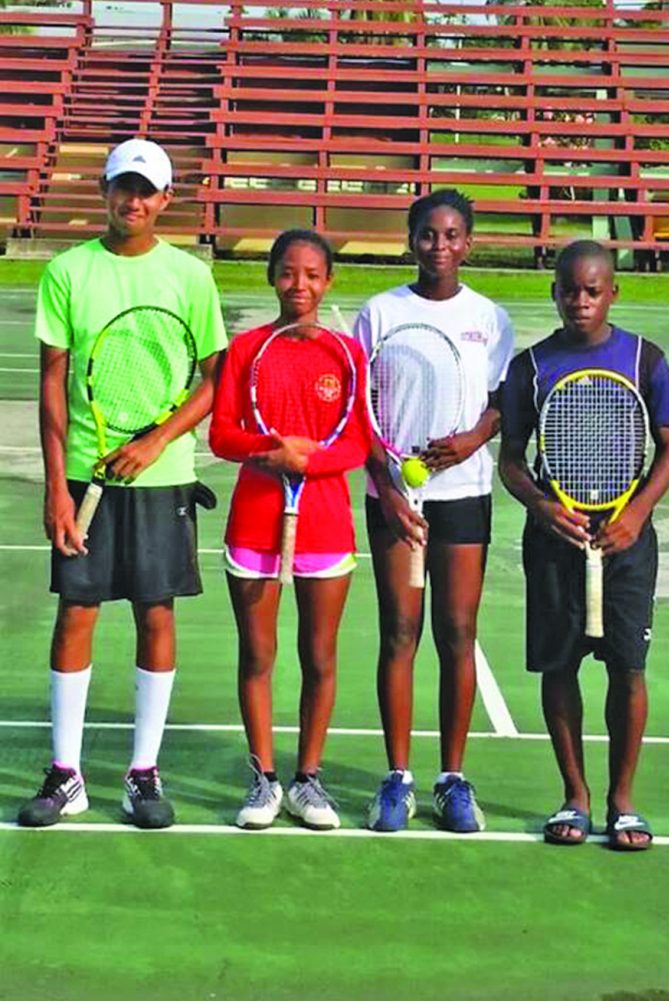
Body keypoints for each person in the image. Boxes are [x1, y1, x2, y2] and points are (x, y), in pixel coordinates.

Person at [18, 138, 228, 829]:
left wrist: (157, 440)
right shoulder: (67, 272)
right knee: (76, 612)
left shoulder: (190, 277)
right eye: (121, 187)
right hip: (84, 471)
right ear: (104, 191)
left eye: (146, 190)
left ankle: (143, 772)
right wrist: (56, 490)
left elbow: (214, 378)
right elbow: (51, 386)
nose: (132, 200)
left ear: (167, 199)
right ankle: (67, 773)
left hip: (163, 475)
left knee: (154, 613)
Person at [498, 239, 669, 851]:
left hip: (626, 540)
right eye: (569, 290)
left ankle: (622, 800)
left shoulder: (644, 360)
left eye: (593, 290)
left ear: (613, 293)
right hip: (556, 540)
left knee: (629, 667)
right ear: (554, 292)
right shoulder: (530, 367)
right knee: (560, 665)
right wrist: (542, 505)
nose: (580, 301)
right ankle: (574, 796)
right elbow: (512, 460)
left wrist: (637, 512)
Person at [355, 189, 514, 833]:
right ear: (410, 239)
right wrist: (388, 487)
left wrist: (474, 439)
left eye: (451, 235)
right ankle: (397, 779)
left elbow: (501, 401)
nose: (439, 247)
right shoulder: (380, 313)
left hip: (465, 495)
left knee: (457, 634)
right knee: (399, 631)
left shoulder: (490, 319)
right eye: (427, 234)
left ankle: (452, 779)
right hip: (394, 497)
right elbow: (359, 413)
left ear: (468, 243)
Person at [209, 229, 370, 831]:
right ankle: (264, 778)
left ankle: (307, 779)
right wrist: (271, 453)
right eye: (287, 273)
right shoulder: (247, 349)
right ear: (271, 276)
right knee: (258, 653)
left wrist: (310, 462)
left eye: (311, 274)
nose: (298, 285)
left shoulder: (347, 355)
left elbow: (356, 442)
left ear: (328, 282)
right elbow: (222, 434)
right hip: (254, 523)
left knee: (319, 656)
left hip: (325, 527)